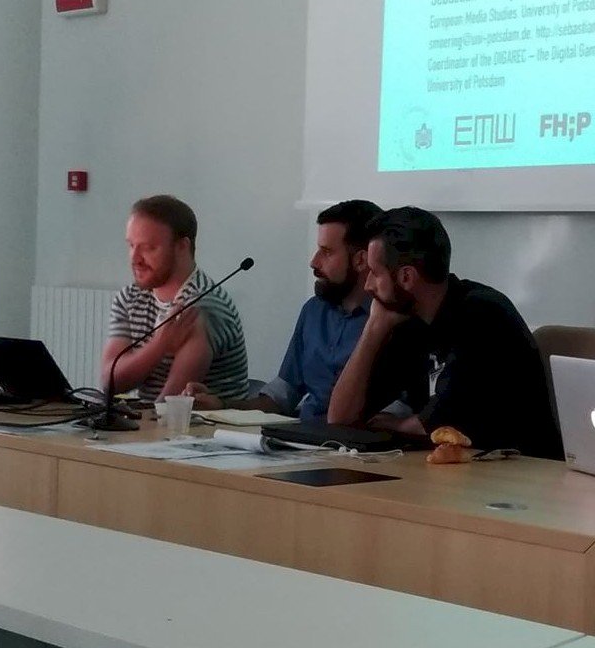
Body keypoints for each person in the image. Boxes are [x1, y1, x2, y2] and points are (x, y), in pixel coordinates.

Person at [334, 206, 561, 459]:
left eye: (375, 274)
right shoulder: (405, 319)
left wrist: (395, 425)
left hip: (522, 469)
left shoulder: (482, 314)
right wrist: (373, 329)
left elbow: (440, 425)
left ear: (406, 277)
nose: (367, 286)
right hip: (459, 469)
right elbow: (340, 418)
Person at [187, 199, 401, 422]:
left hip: (356, 440)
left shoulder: (392, 320)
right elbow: (281, 396)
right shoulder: (314, 310)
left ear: (361, 260)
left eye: (327, 252)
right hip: (301, 434)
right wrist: (222, 405)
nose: (314, 262)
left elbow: (397, 412)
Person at [100, 195, 249, 402]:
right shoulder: (130, 297)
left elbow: (171, 404)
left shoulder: (201, 306)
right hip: (151, 419)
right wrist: (160, 344)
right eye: (131, 245)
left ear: (182, 247)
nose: (135, 259)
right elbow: (110, 383)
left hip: (198, 423)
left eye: (149, 248)